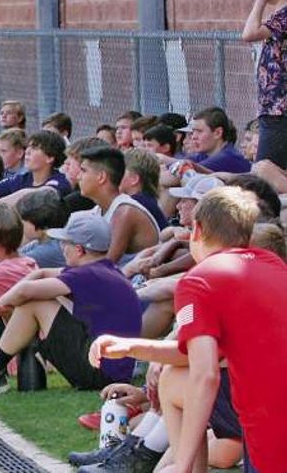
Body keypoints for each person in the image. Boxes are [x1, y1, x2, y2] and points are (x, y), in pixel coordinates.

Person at [91, 186, 287, 472]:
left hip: (270, 419)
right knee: (174, 378)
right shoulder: (272, 264)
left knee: (173, 381)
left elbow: (204, 374)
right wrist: (132, 347)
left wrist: (182, 463)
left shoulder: (198, 281)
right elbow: (197, 354)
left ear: (197, 229)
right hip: (268, 407)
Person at [0, 211, 141, 392]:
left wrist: (1, 302)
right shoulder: (104, 270)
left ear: (79, 250)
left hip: (101, 374)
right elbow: (40, 274)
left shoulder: (89, 274)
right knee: (33, 302)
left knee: (34, 303)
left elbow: (26, 291)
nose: (61, 247)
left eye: (64, 243)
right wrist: (10, 299)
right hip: (109, 370)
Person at [77, 146, 159, 265]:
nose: (78, 177)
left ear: (101, 177)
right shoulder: (98, 209)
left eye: (83, 171)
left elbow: (107, 266)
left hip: (141, 281)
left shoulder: (125, 212)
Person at [242, 0, 287, 169]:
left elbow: (249, 33)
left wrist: (260, 0)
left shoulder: (286, 15)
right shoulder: (280, 16)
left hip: (280, 109)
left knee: (265, 171)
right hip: (274, 108)